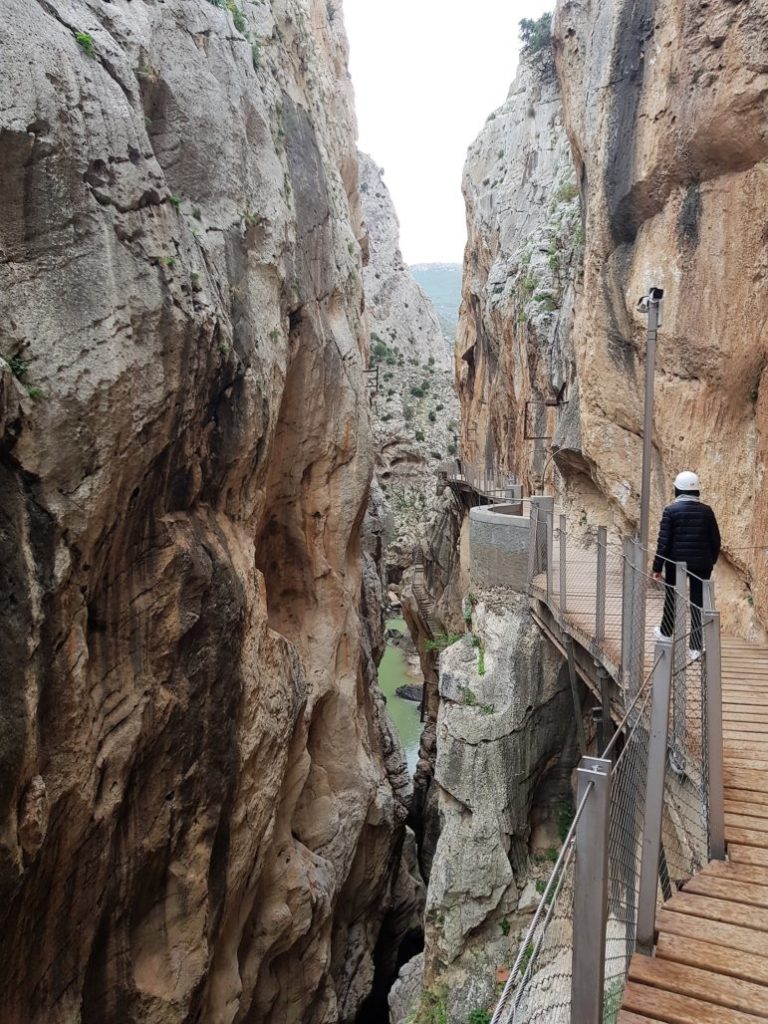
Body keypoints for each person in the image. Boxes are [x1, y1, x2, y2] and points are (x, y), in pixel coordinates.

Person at [652, 470, 721, 657]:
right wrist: (710, 561)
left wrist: (657, 567)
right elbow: (716, 540)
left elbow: (663, 543)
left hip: (676, 564)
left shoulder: (671, 511)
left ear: (677, 489)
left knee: (672, 598)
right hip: (702, 564)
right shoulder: (707, 512)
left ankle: (666, 634)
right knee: (698, 603)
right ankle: (696, 648)